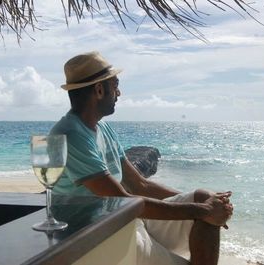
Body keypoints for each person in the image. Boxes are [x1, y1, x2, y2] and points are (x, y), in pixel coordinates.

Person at [50, 51, 233, 265]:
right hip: (101, 236)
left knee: (203, 197)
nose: (119, 92)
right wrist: (203, 211)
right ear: (99, 90)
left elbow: (140, 185)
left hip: (127, 221)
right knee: (204, 209)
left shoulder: (103, 128)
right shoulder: (71, 135)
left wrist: (209, 205)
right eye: (115, 85)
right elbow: (121, 200)